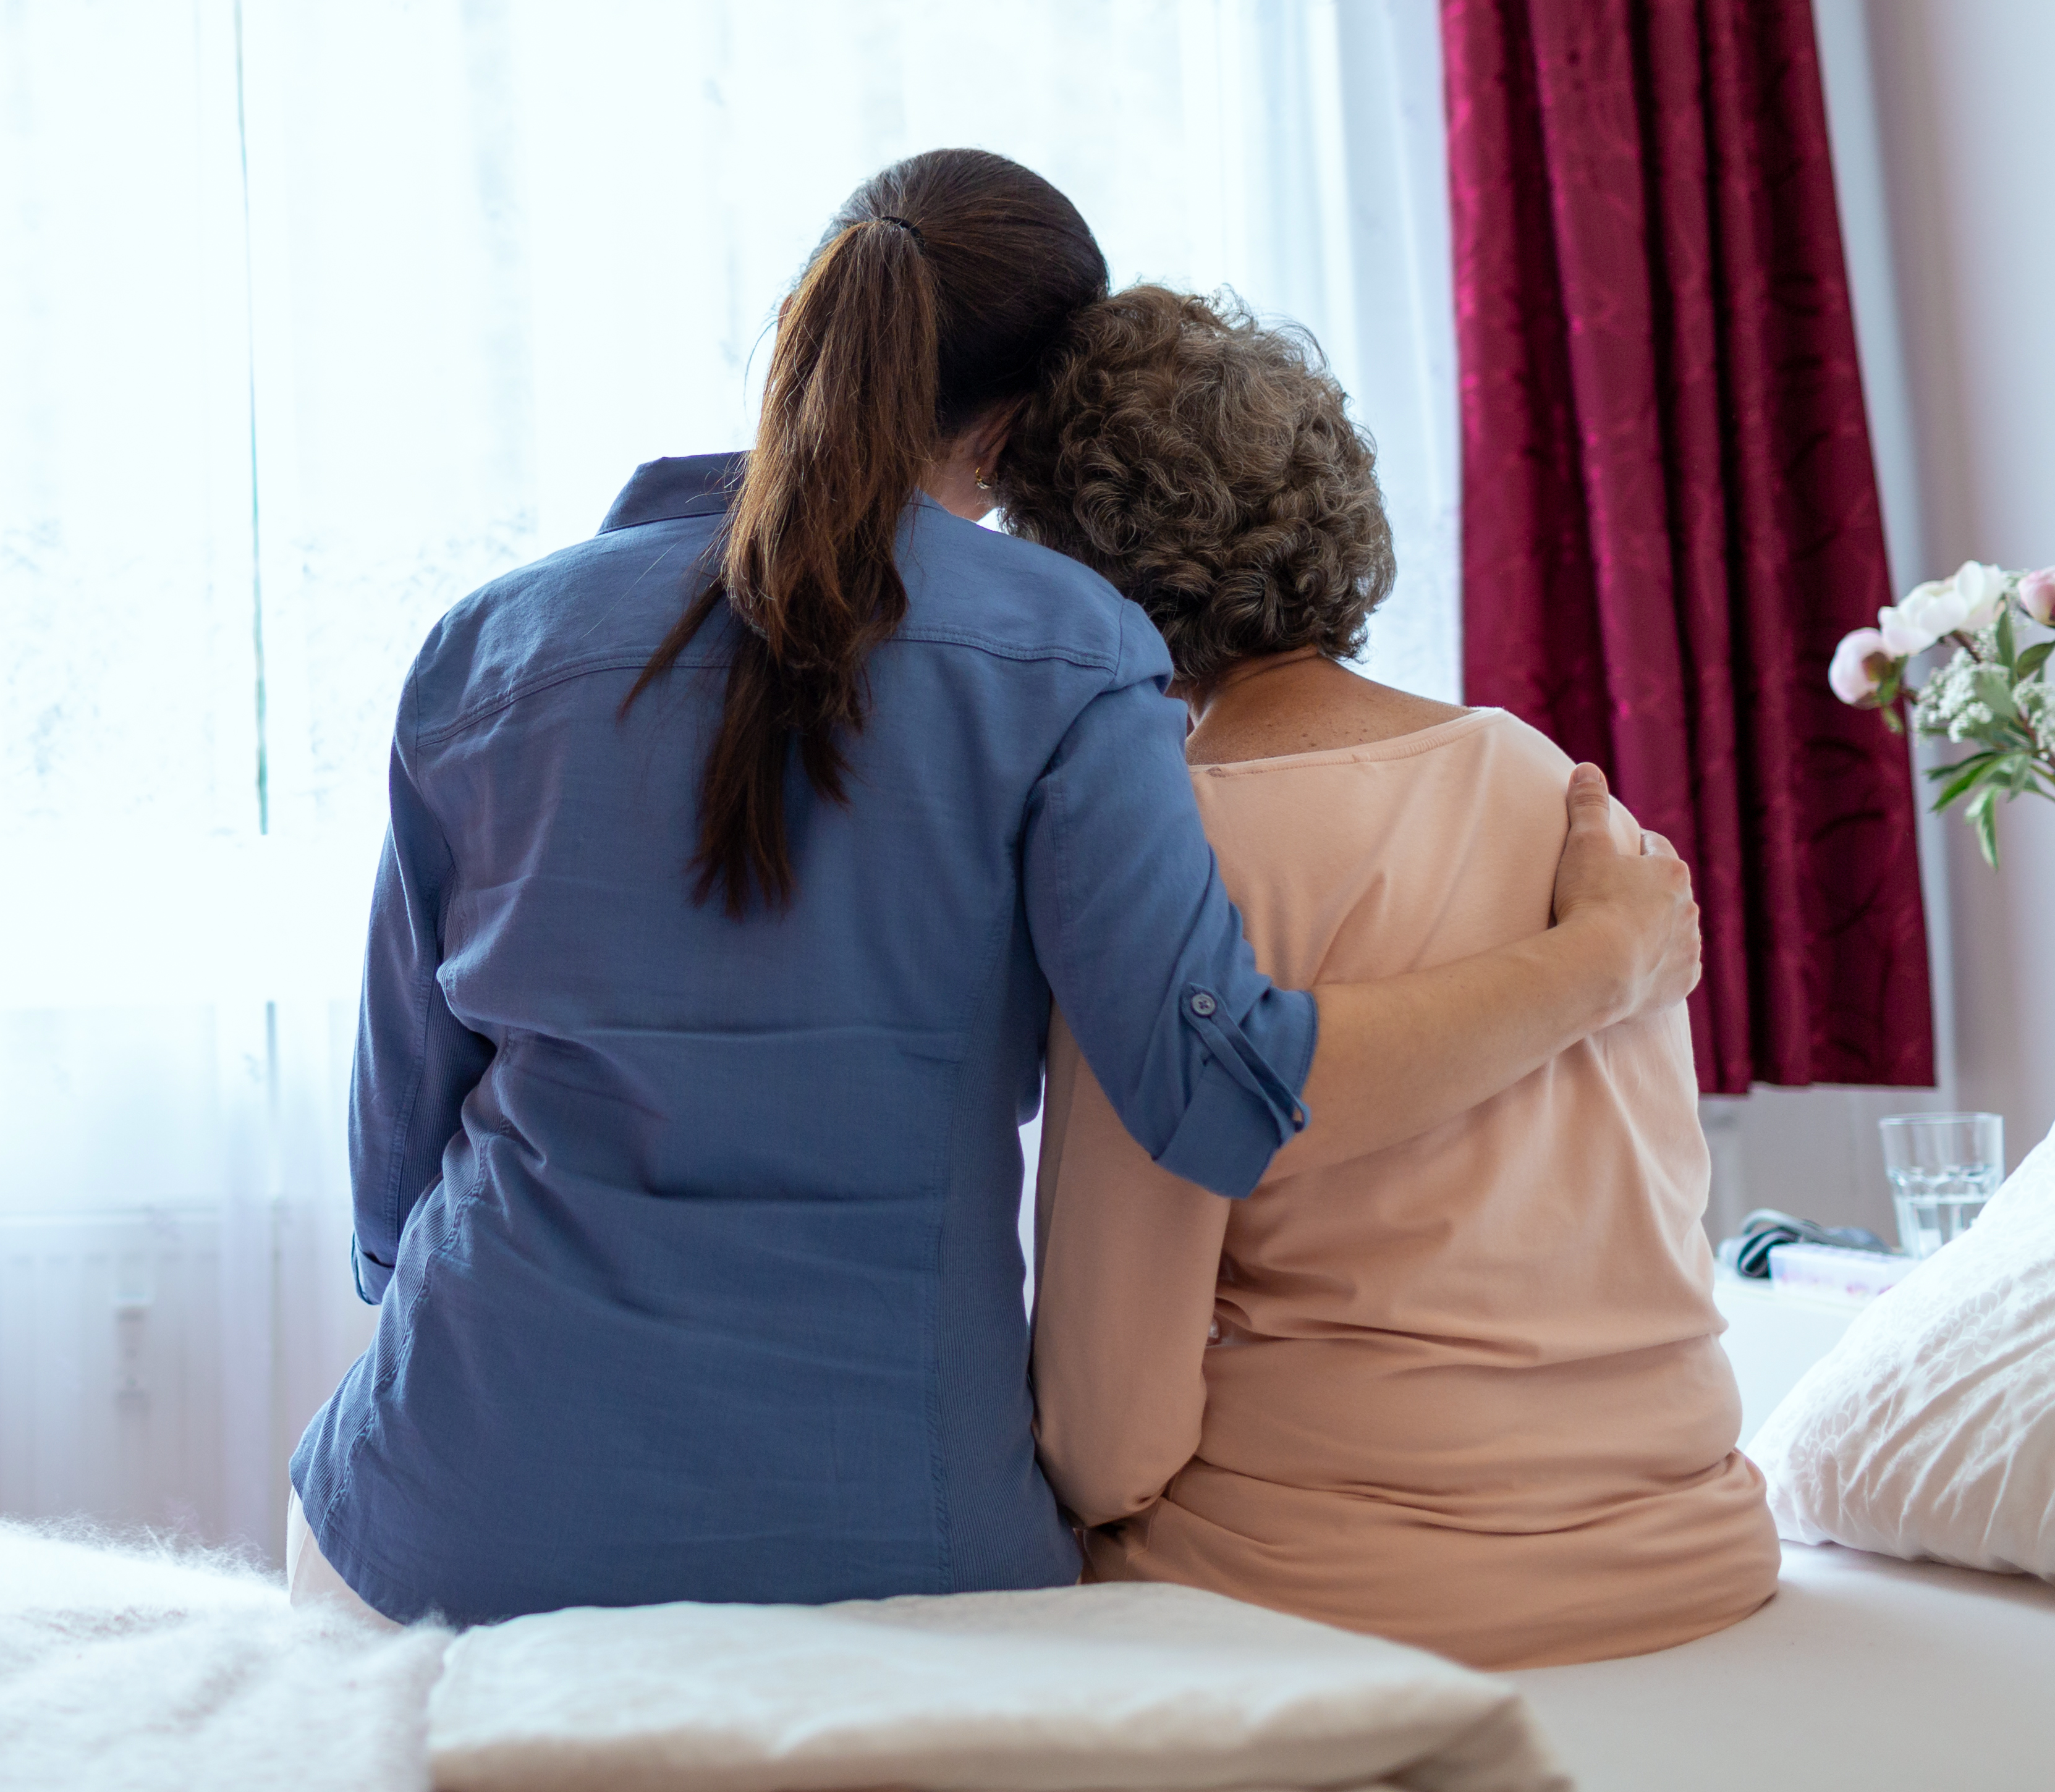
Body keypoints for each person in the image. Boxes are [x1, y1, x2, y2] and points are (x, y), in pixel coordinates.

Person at [286, 154, 1701, 1628]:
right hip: (893, 1550)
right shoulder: (1078, 654)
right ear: (1022, 433)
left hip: (444, 1517)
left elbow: (396, 1167)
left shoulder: (489, 645)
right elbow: (1219, 1094)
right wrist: (1601, 957)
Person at [1000, 285, 1777, 1670]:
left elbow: (1109, 1436)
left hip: (1348, 1583)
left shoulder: (1161, 859)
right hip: (1691, 1544)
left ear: (1076, 574)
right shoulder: (1560, 785)